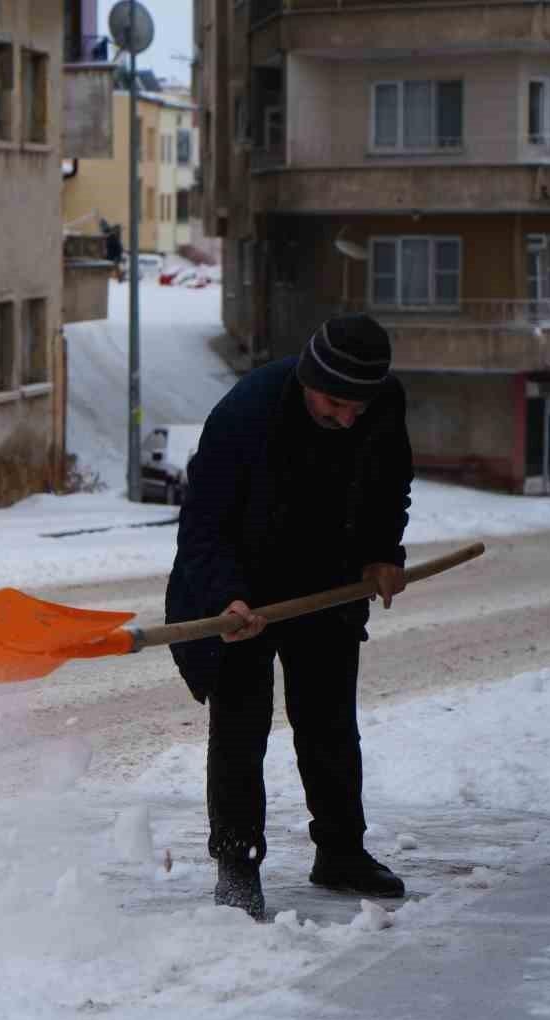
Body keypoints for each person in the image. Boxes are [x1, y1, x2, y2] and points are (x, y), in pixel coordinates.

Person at [164, 312, 413, 920]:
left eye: (359, 405)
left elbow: (388, 483)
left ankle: (341, 852)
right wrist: (227, 597)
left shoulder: (381, 402)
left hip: (327, 581)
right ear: (307, 378)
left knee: (329, 723)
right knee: (240, 732)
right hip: (241, 589)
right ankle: (237, 865)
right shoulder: (245, 415)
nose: (348, 416)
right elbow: (201, 525)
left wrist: (383, 552)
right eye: (335, 402)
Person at [101, 219, 126, 283]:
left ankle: (120, 277)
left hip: (113, 255)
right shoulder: (111, 235)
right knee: (114, 266)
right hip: (113, 254)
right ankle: (119, 276)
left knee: (115, 265)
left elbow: (117, 246)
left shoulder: (111, 236)